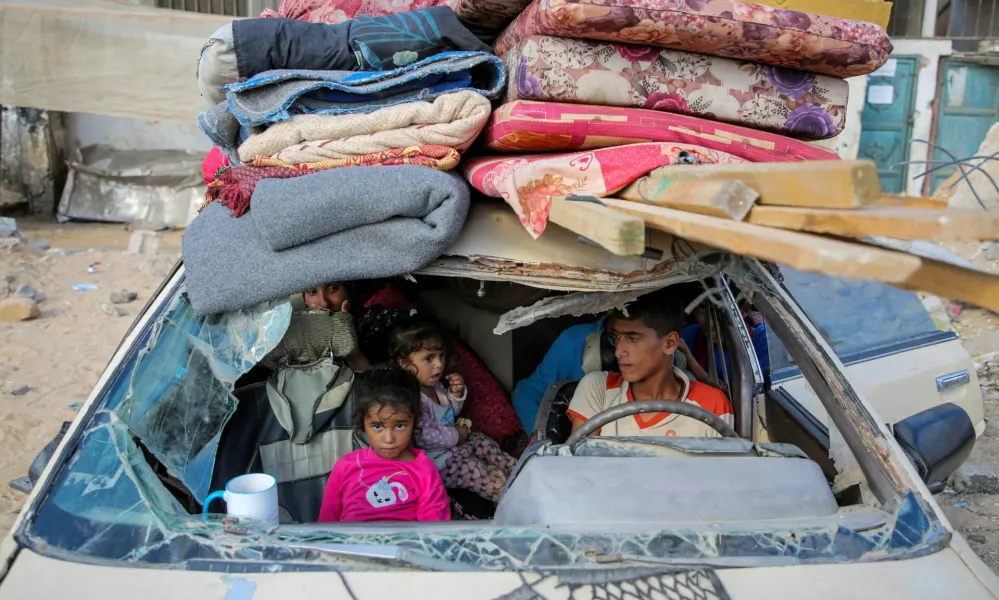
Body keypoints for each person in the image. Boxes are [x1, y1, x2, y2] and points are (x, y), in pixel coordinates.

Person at [567, 295, 734, 438]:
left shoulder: (712, 405)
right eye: (616, 336)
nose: (618, 351)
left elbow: (717, 475)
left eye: (633, 339)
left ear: (669, 343)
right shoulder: (598, 388)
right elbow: (581, 468)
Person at [392, 318, 516, 504]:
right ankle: (508, 496)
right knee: (477, 470)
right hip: (440, 462)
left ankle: (516, 468)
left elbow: (449, 414)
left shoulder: (437, 388)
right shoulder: (411, 398)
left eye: (441, 356)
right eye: (429, 358)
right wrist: (457, 434)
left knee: (481, 439)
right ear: (404, 363)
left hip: (455, 446)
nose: (439, 364)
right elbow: (423, 436)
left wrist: (455, 395)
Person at [317, 368, 450, 523]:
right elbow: (326, 525)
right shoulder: (345, 467)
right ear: (363, 424)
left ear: (414, 421)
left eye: (400, 426)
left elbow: (434, 531)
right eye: (377, 426)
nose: (389, 439)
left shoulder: (424, 471)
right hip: (352, 546)